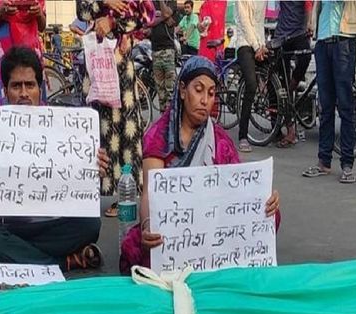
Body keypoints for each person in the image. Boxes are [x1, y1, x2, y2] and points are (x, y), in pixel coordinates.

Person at [119, 56, 280, 274]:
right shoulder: (159, 136)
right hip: (174, 229)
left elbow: (240, 188)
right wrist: (148, 225)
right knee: (139, 247)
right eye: (198, 89)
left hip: (212, 227)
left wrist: (265, 199)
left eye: (211, 93)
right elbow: (150, 192)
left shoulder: (220, 141)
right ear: (183, 91)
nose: (205, 100)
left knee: (271, 216)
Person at [0, 47, 106, 271]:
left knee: (90, 225)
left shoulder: (65, 128)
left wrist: (93, 167)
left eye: (30, 85)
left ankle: (19, 258)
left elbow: (80, 189)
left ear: (40, 89)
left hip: (53, 226)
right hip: (11, 228)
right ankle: (62, 262)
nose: (24, 93)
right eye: (16, 86)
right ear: (6, 91)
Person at [77, 0, 155, 218]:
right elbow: (81, 10)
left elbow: (146, 14)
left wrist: (112, 22)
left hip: (121, 62)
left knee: (125, 128)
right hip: (96, 57)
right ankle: (88, 191)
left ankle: (124, 195)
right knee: (95, 126)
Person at [302, 0, 356, 184]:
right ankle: (324, 161)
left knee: (345, 105)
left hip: (343, 38)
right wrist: (311, 23)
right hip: (323, 39)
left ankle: (347, 164)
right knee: (325, 105)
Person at [0, 0, 47, 106]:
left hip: (32, 54)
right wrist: (0, 11)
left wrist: (39, 13)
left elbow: (42, 26)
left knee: (35, 100)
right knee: (6, 99)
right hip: (5, 52)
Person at [273, 0, 313, 148]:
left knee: (306, 57)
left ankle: (293, 86)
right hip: (282, 35)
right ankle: (287, 130)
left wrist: (309, 22)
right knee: (280, 85)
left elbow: (308, 3)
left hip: (299, 34)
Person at [234, 0, 267, 153]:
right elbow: (245, 23)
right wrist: (256, 46)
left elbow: (260, 23)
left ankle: (278, 130)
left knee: (274, 79)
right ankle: (243, 135)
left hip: (260, 44)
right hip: (245, 44)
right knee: (251, 85)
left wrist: (262, 46)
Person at [149, 0, 178, 112]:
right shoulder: (152, 3)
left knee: (170, 90)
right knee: (160, 92)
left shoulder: (171, 2)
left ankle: (171, 120)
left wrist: (161, 15)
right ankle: (163, 120)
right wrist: (164, 18)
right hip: (155, 51)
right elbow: (149, 22)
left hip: (168, 51)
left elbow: (166, 14)